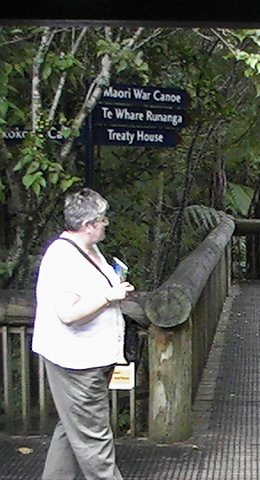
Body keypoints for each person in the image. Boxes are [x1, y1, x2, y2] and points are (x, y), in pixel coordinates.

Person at [31, 187, 135, 480]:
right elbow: (68, 315)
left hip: (93, 358)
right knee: (95, 442)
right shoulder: (63, 258)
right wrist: (109, 297)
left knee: (71, 427)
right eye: (102, 220)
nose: (106, 224)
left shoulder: (89, 249)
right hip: (77, 364)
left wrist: (114, 291)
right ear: (88, 225)